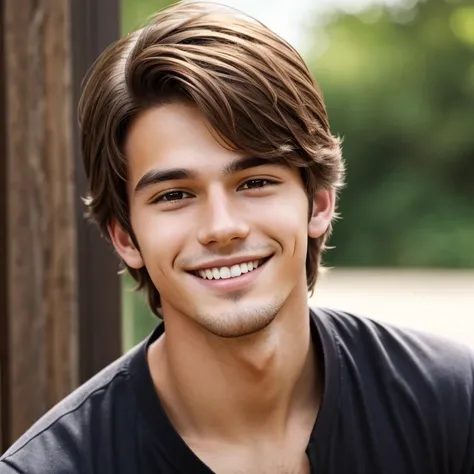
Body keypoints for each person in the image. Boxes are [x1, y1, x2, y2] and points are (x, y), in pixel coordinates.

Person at [1, 1, 473, 473]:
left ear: (320, 202)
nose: (222, 227)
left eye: (254, 182)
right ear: (125, 237)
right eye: (175, 195)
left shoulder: (455, 404)